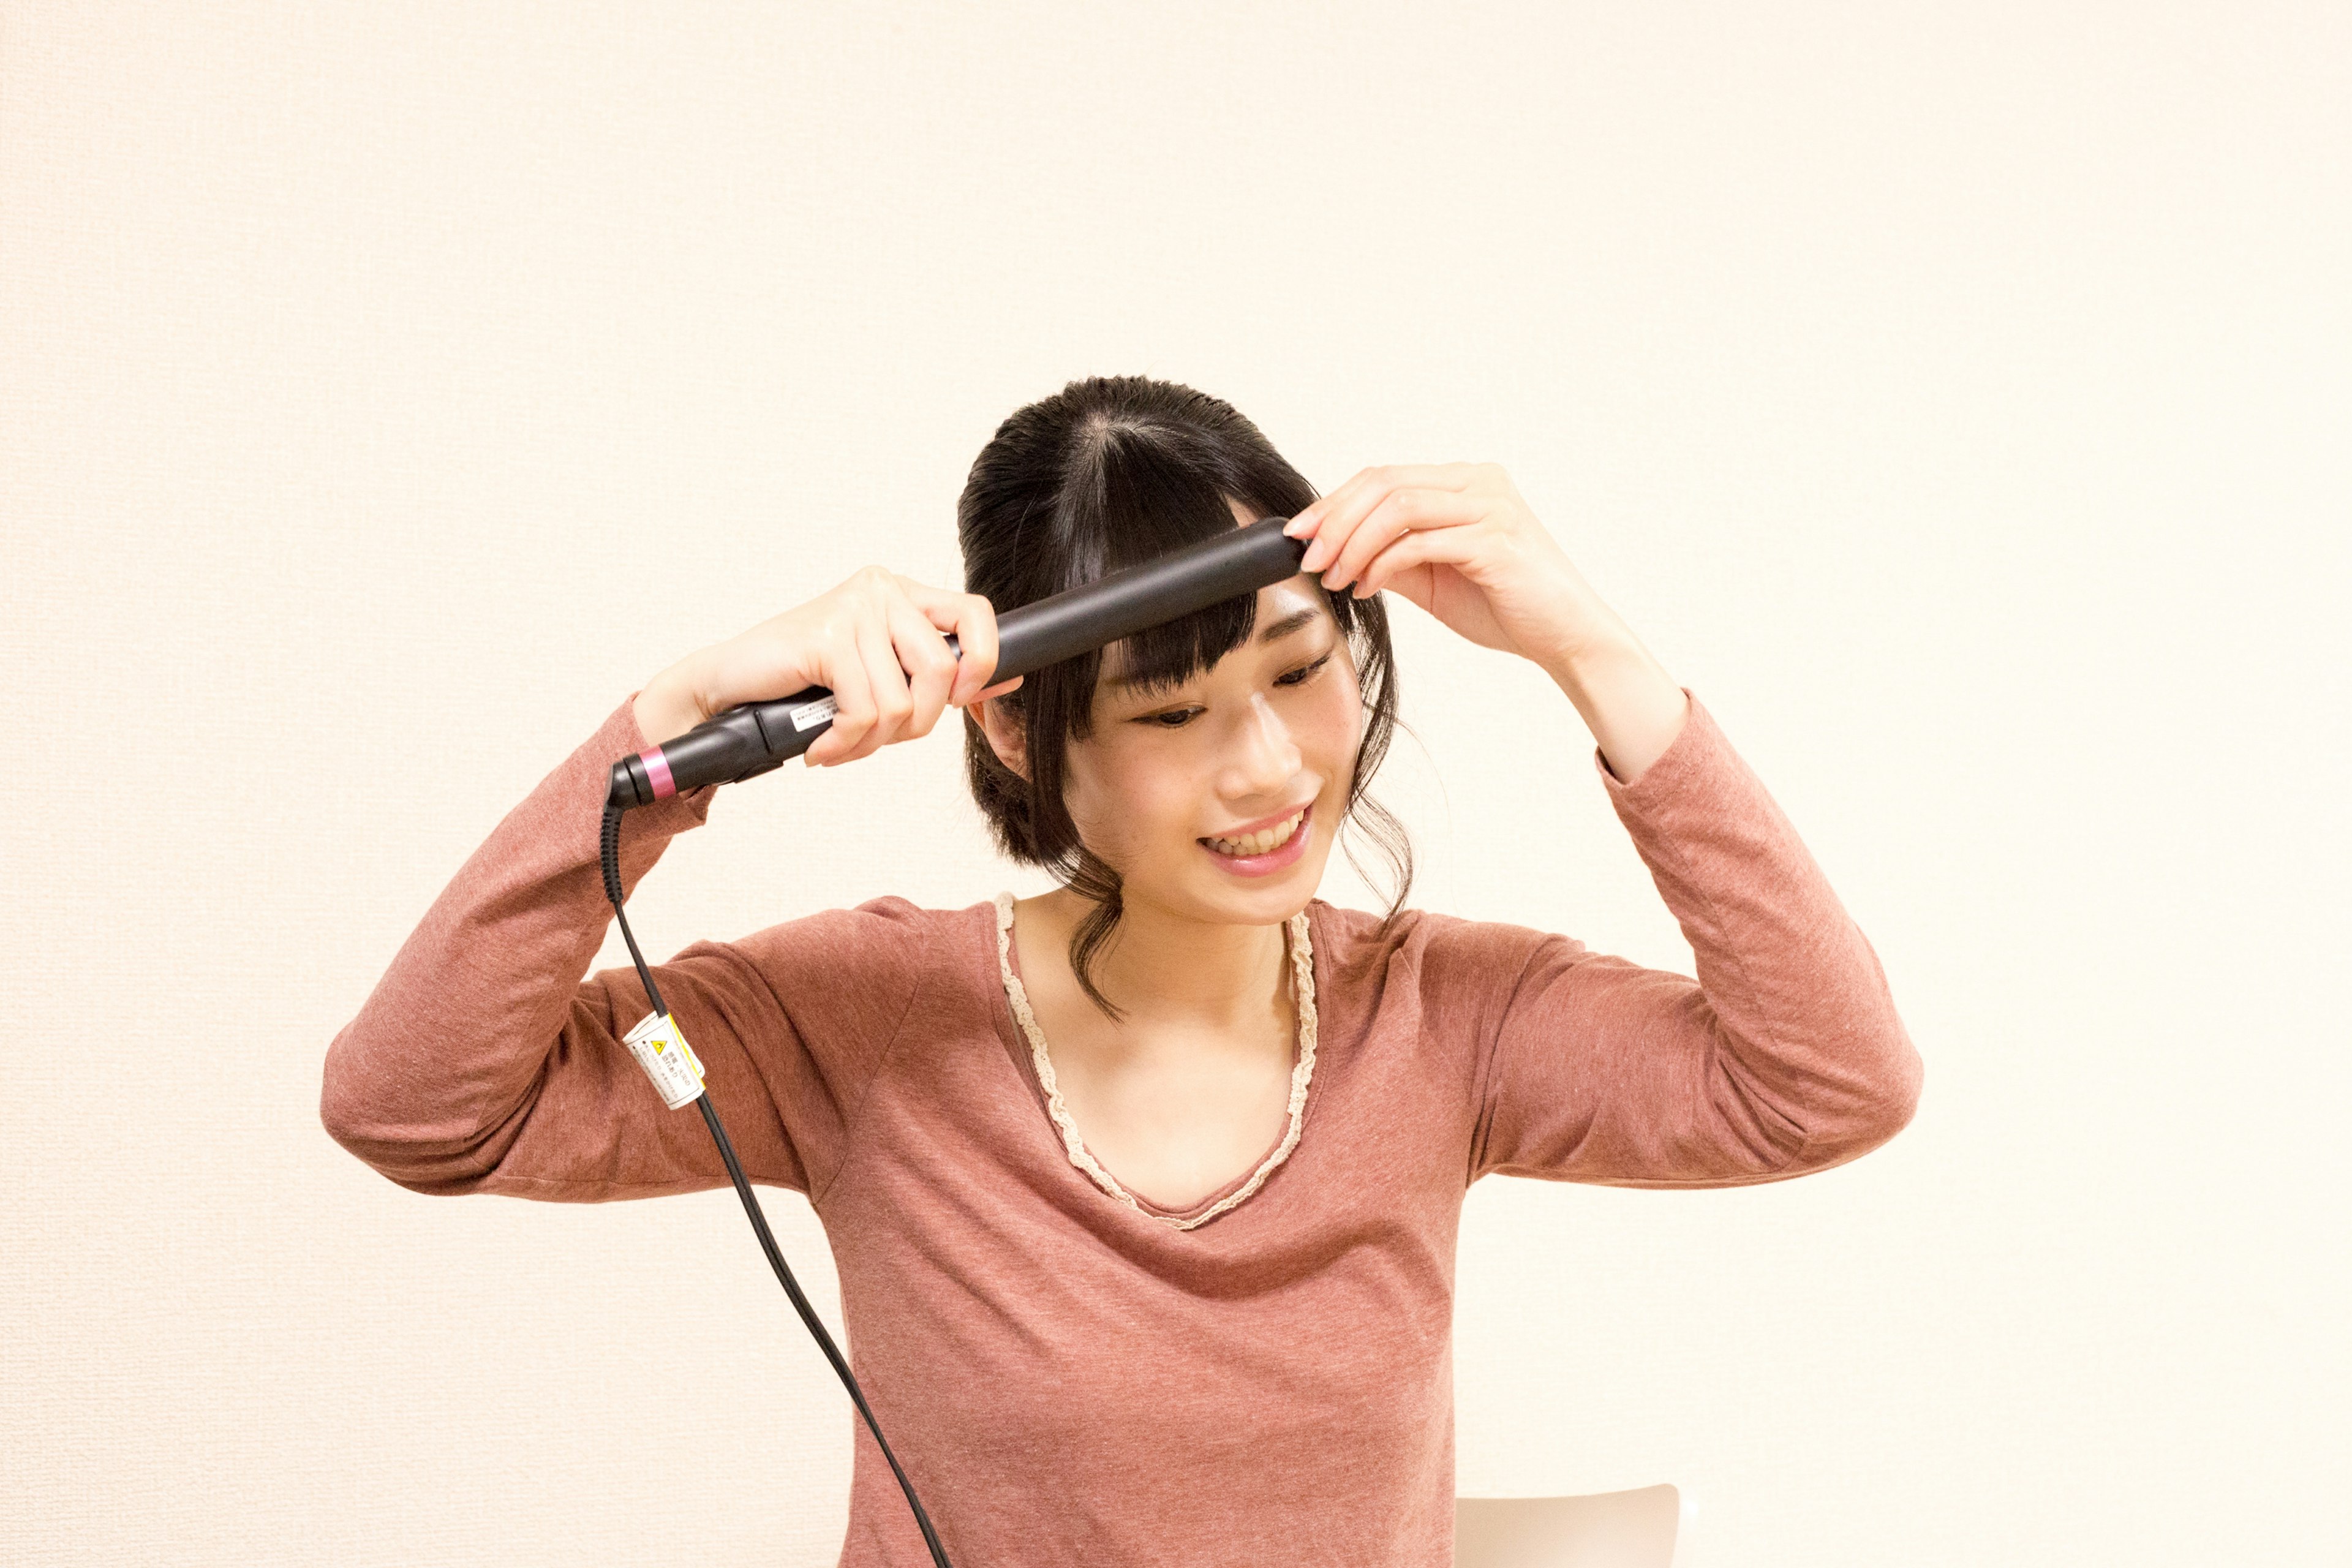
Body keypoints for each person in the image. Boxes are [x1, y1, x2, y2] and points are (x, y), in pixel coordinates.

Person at [320, 374, 1922, 1567]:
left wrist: (1589, 645)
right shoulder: (864, 1026)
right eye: (1168, 718)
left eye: (1302, 674)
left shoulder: (1455, 1023)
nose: (1268, 772)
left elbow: (1832, 1084)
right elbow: (417, 1109)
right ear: (1023, 730)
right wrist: (671, 717)